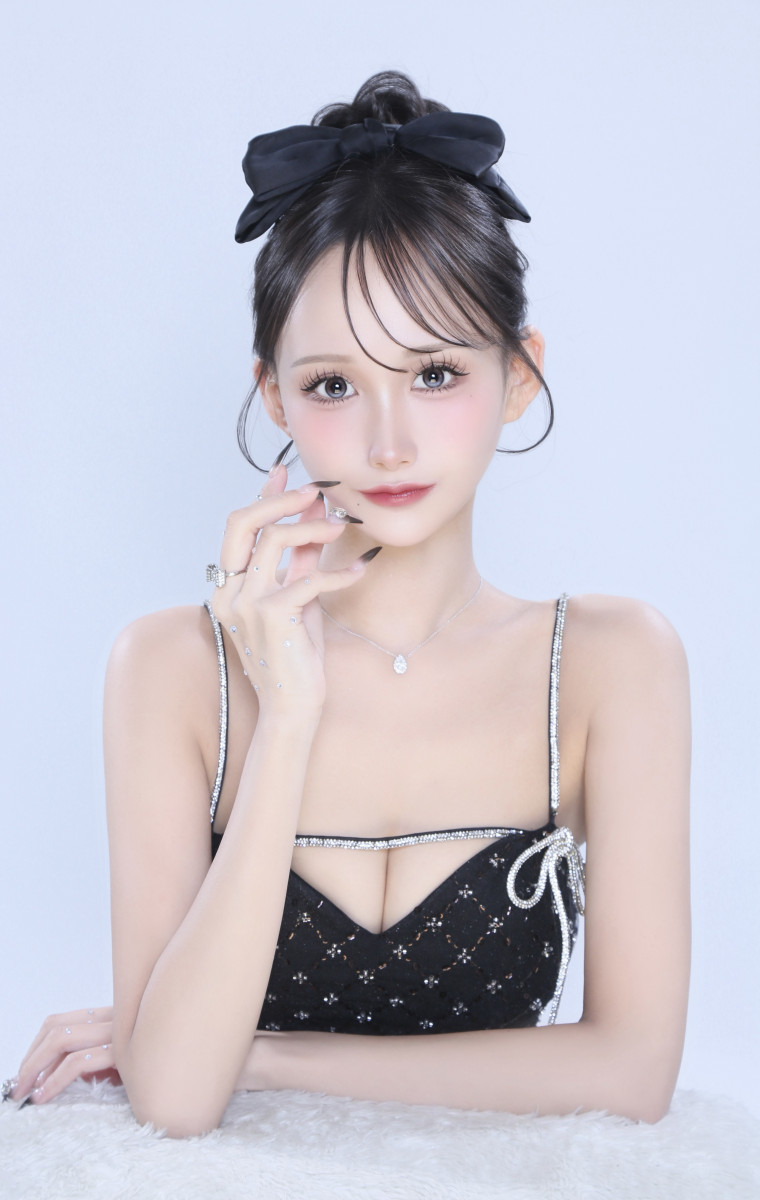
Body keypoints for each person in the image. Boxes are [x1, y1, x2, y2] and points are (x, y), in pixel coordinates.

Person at [3, 70, 691, 1137]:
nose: (389, 442)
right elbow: (176, 1098)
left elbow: (635, 1072)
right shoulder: (170, 671)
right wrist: (287, 714)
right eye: (333, 385)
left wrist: (264, 1056)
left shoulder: (612, 664)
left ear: (519, 375)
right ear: (273, 395)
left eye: (434, 373)